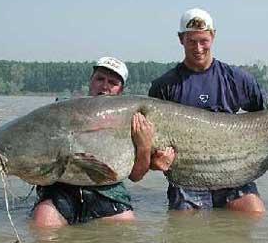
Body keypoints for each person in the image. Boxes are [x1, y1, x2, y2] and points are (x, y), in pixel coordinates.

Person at [146, 8, 268, 213]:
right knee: (184, 231)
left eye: (203, 40)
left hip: (234, 174)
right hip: (187, 177)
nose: (198, 48)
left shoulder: (237, 79)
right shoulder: (164, 86)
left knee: (254, 213)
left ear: (213, 36)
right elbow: (146, 142)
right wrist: (155, 162)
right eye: (191, 41)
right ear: (181, 39)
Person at [32, 56, 170, 227]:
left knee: (126, 227)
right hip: (63, 189)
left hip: (108, 190)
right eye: (100, 79)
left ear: (120, 90)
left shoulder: (136, 121)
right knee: (43, 224)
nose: (104, 86)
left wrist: (144, 146)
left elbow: (136, 176)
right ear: (91, 81)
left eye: (112, 82)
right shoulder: (64, 109)